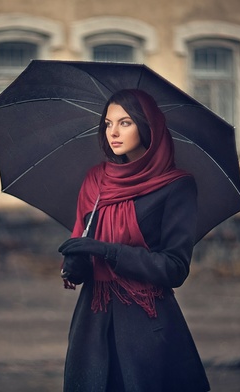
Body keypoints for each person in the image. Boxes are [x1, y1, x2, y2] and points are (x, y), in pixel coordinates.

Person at [57, 89, 210, 392]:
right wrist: (74, 263)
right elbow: (82, 262)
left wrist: (109, 252)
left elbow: (175, 267)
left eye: (125, 123)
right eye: (107, 123)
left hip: (147, 329)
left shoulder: (177, 186)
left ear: (147, 125)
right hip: (93, 326)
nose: (113, 132)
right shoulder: (96, 181)